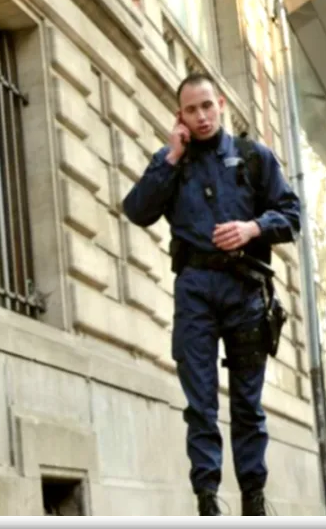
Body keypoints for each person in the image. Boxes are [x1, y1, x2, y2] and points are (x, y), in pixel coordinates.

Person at [122, 72, 300, 516]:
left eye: (207, 106)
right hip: (195, 293)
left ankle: (254, 500)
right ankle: (207, 500)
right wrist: (171, 155)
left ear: (220, 104)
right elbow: (137, 209)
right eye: (190, 110)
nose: (201, 117)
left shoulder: (253, 158)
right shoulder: (171, 162)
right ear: (179, 116)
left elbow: (292, 214)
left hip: (245, 291)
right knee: (200, 403)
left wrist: (253, 227)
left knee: (247, 405)